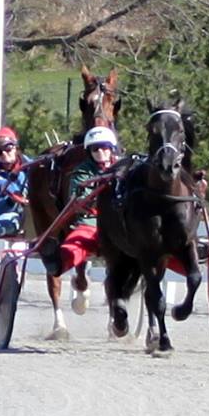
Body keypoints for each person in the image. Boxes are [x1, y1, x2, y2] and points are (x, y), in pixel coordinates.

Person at [54, 126, 121, 313]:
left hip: (118, 221)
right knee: (76, 244)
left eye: (105, 147)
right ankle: (77, 272)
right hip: (91, 219)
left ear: (112, 148)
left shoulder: (122, 166)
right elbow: (78, 197)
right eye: (95, 149)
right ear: (89, 152)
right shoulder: (82, 171)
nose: (101, 153)